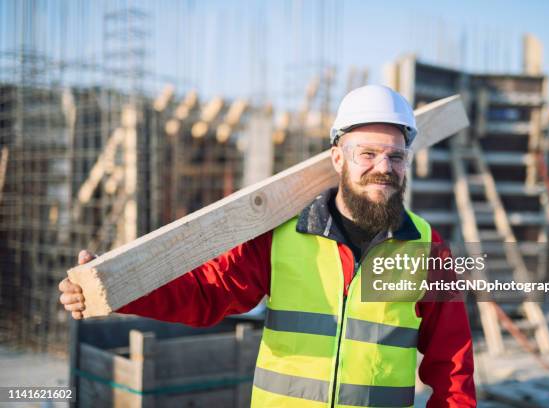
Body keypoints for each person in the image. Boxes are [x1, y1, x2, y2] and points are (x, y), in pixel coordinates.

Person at [59, 85, 476, 407]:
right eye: (366, 153)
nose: (383, 168)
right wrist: (121, 287)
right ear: (337, 158)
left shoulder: (428, 250)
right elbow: (208, 293)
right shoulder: (284, 234)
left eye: (396, 157)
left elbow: (453, 367)